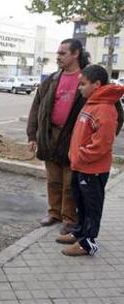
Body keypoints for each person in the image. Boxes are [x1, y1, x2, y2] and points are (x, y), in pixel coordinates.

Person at [57, 65, 124, 256]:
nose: (79, 88)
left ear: (97, 84)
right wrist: (74, 154)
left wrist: (80, 155)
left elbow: (102, 144)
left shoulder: (104, 108)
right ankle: (78, 233)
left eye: (83, 84)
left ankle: (87, 244)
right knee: (80, 202)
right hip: (80, 166)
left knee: (91, 206)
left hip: (92, 169)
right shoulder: (91, 102)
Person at [27, 39, 89, 235]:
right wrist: (32, 135)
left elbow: (113, 111)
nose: (58, 57)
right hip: (50, 136)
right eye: (58, 53)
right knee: (53, 179)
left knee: (71, 182)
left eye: (62, 53)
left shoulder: (88, 79)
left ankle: (69, 218)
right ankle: (54, 213)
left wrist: (100, 140)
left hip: (74, 137)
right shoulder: (52, 79)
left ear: (76, 53)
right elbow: (36, 107)